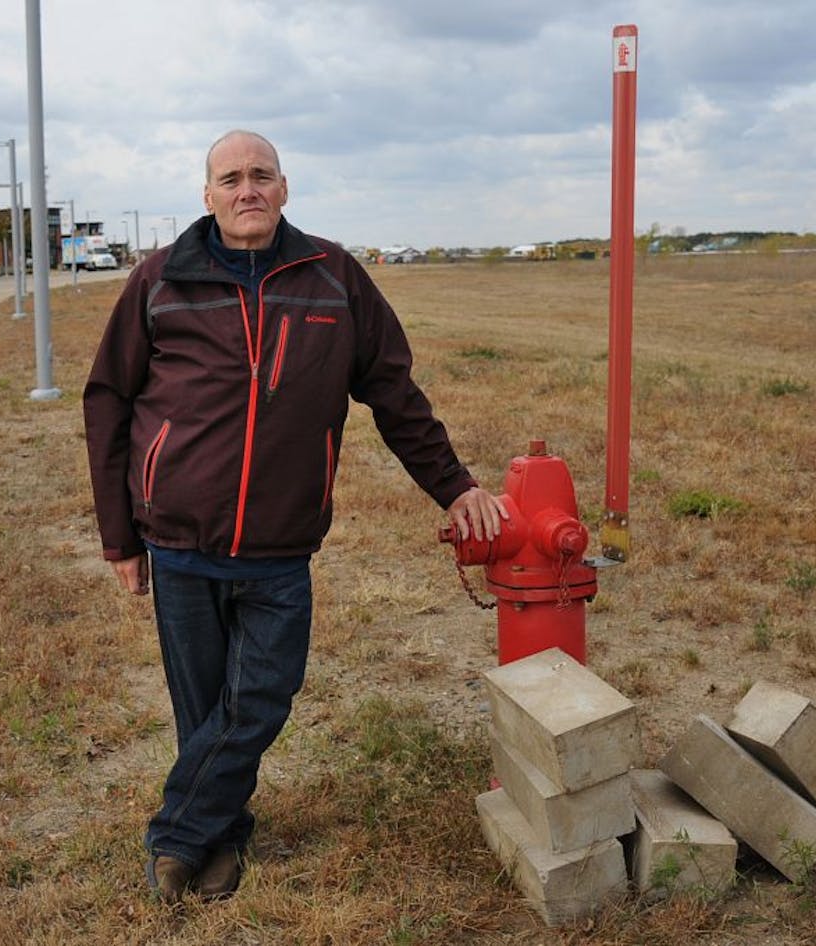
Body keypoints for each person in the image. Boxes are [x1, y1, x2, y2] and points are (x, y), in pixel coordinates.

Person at [82, 130, 504, 905]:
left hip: (279, 549)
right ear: (206, 196)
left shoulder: (333, 278)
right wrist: (120, 538)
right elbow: (108, 402)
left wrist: (454, 487)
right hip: (178, 543)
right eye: (231, 178)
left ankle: (176, 837)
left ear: (285, 188)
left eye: (261, 176)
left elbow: (394, 394)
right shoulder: (160, 282)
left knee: (262, 700)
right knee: (204, 712)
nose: (248, 190)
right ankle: (220, 838)